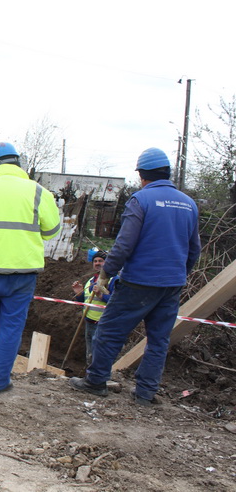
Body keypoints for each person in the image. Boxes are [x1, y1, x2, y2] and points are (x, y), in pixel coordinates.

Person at [69, 148, 200, 406]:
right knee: (159, 339)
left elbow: (124, 245)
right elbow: (194, 249)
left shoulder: (141, 201)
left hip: (139, 281)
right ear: (167, 172)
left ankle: (96, 381)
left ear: (141, 175)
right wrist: (179, 274)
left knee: (109, 330)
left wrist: (105, 275)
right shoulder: (189, 204)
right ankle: (146, 393)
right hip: (172, 284)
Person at [0, 142, 61, 395]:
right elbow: (51, 230)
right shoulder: (38, 191)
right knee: (11, 328)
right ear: (18, 163)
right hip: (23, 273)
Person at [71, 249, 117, 365]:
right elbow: (86, 300)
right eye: (95, 261)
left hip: (103, 324)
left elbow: (116, 302)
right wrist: (80, 293)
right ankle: (88, 374)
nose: (97, 263)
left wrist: (101, 295)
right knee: (90, 353)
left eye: (101, 261)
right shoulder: (91, 281)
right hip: (89, 322)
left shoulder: (113, 280)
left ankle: (97, 375)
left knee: (99, 353)